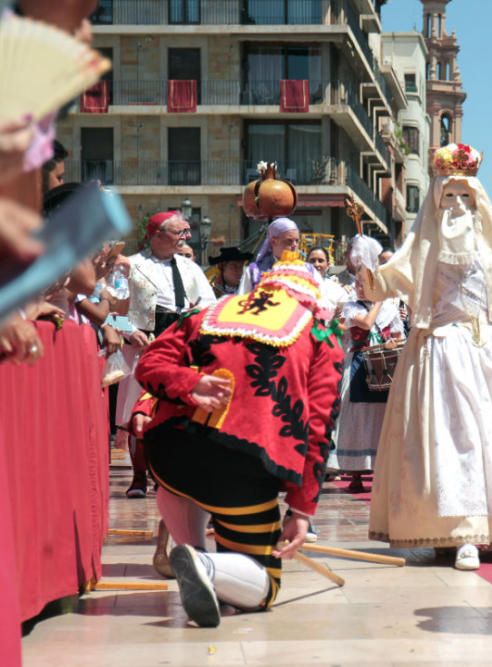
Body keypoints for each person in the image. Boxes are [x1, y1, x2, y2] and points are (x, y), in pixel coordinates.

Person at [356, 143, 492, 570]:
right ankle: (459, 534)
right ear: (436, 198)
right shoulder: (423, 245)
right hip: (440, 349)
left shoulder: (491, 247)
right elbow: (384, 283)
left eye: (466, 196)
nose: (458, 204)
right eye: (449, 196)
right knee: (452, 441)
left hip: (491, 351)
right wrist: (366, 270)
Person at [130, 252, 343, 628]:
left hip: (170, 455)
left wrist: (191, 384)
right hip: (242, 470)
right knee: (264, 584)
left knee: (180, 487)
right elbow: (318, 428)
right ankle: (206, 565)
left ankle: (192, 552)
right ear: (310, 298)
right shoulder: (320, 334)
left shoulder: (204, 314)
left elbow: (147, 365)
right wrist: (301, 509)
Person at [117, 210, 217, 498]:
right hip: (142, 346)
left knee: (175, 410)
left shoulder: (190, 268)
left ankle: (168, 475)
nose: (186, 238)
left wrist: (193, 319)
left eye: (187, 232)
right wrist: (128, 331)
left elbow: (209, 305)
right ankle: (138, 477)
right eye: (180, 232)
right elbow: (109, 311)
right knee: (137, 411)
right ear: (157, 235)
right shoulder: (130, 265)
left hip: (179, 346)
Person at [327, 247, 405, 492]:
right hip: (358, 365)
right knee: (356, 417)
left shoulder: (390, 309)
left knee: (381, 417)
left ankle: (379, 468)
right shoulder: (351, 307)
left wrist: (393, 342)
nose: (360, 287)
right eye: (358, 282)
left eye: (366, 282)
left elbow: (398, 335)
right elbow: (365, 323)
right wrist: (379, 301)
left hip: (382, 366)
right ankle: (356, 472)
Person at [239, 217, 307, 293]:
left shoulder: (308, 270)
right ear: (273, 242)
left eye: (297, 241)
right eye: (289, 241)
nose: (295, 245)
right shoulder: (253, 272)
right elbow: (241, 301)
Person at [306, 246, 349, 322]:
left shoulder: (338, 291)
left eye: (320, 261)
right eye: (312, 261)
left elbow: (343, 320)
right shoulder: (297, 287)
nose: (316, 264)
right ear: (306, 263)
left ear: (328, 265)